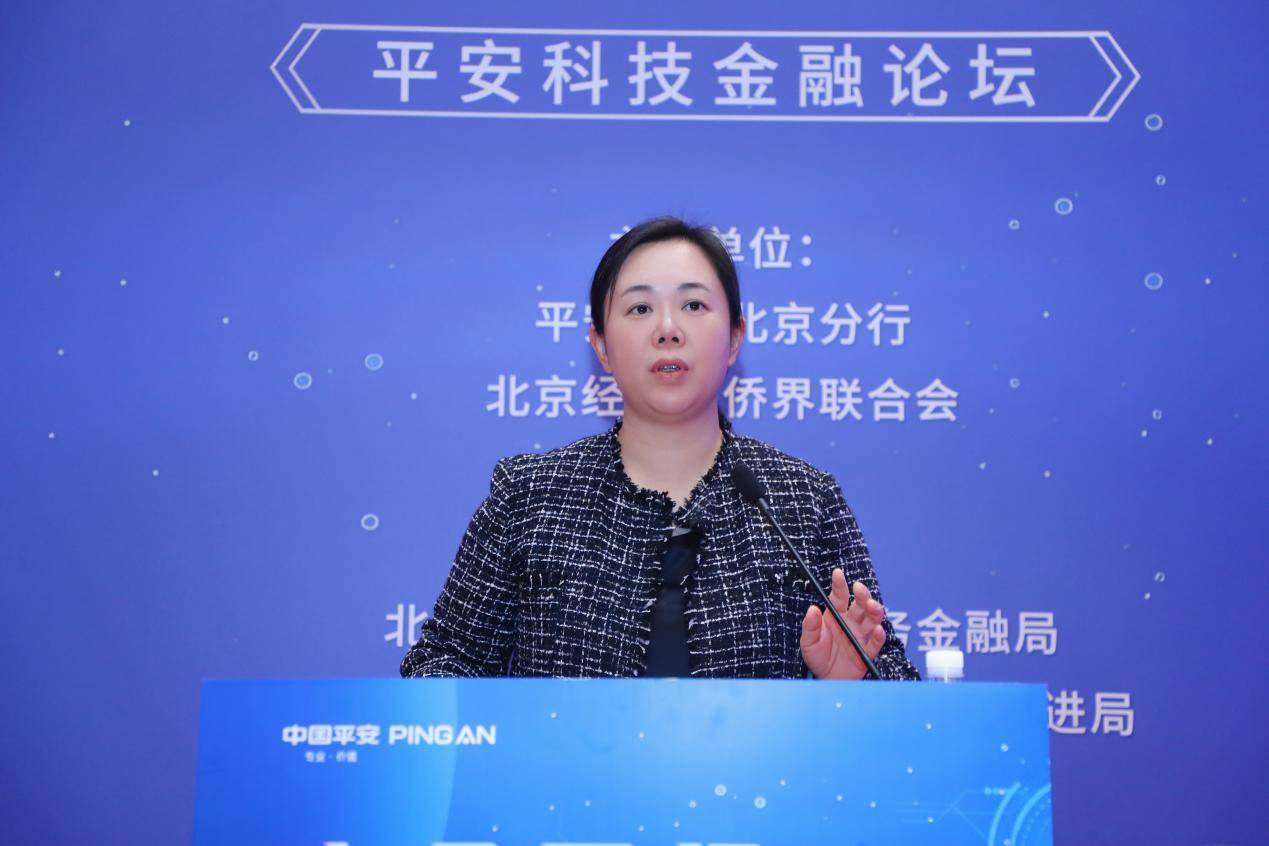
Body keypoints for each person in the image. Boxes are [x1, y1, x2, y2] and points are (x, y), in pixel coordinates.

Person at [400, 216, 919, 680]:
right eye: (640, 308)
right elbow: (440, 664)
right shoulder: (530, 496)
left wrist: (848, 686)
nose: (668, 330)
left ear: (735, 337)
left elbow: (895, 680)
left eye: (693, 305)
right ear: (601, 345)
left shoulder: (803, 501)